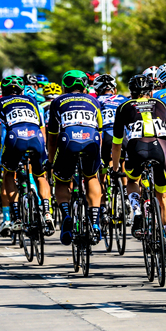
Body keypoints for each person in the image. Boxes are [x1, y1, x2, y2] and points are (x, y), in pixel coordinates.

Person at [111, 74, 166, 262]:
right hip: (161, 149)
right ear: (151, 91)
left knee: (132, 179)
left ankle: (137, 210)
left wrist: (116, 168)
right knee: (165, 199)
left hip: (136, 148)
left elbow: (116, 144)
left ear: (132, 92)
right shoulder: (161, 104)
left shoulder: (124, 106)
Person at [0, 76, 54, 236]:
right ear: (21, 90)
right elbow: (42, 129)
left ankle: (17, 218)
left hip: (15, 138)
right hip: (36, 137)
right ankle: (47, 212)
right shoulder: (32, 100)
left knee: (8, 174)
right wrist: (43, 150)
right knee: (40, 176)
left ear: (2, 91)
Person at [48, 70, 104, 245]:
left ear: (65, 86)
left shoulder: (57, 101)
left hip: (68, 140)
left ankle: (66, 215)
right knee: (92, 177)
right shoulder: (94, 101)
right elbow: (99, 131)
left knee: (62, 181)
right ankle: (95, 222)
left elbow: (52, 136)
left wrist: (51, 161)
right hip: (91, 140)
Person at [92, 74, 127, 173]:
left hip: (104, 135)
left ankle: (103, 185)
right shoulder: (123, 99)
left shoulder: (95, 100)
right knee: (123, 158)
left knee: (103, 163)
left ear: (96, 92)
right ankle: (125, 186)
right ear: (114, 90)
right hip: (123, 135)